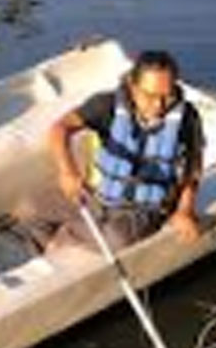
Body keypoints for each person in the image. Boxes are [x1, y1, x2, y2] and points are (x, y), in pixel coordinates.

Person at [46, 49, 205, 251]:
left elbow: (193, 168)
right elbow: (60, 128)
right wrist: (67, 170)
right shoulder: (106, 105)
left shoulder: (187, 118)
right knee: (33, 207)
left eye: (167, 96)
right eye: (149, 95)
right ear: (132, 86)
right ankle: (55, 234)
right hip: (99, 196)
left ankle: (63, 238)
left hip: (146, 209)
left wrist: (184, 210)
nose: (159, 105)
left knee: (117, 239)